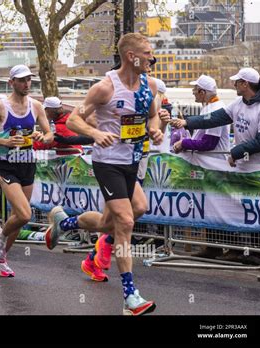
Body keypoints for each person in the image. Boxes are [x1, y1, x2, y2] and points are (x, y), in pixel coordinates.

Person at [43, 33, 163, 315]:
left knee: (129, 213)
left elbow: (153, 114)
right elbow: (74, 119)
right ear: (131, 56)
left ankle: (66, 223)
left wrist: (155, 128)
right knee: (124, 220)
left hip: (132, 161)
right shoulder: (105, 88)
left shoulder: (151, 85)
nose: (152, 58)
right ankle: (130, 295)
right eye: (147, 53)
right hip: (107, 162)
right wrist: (96, 133)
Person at [170, 67, 260, 264]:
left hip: (259, 169)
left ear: (245, 84)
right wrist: (187, 122)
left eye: (237, 82)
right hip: (241, 169)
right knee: (238, 210)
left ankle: (258, 253)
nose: (234, 85)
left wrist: (237, 151)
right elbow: (213, 118)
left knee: (258, 211)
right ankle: (239, 250)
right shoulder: (238, 103)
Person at [0, 64, 54, 277]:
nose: (26, 84)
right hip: (5, 165)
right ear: (11, 82)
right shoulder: (0, 107)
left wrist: (42, 137)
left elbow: (50, 135)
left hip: (27, 164)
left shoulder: (36, 106)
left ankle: (0, 258)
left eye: (29, 79)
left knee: (18, 217)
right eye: (21, 80)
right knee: (24, 214)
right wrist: (6, 141)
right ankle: (0, 238)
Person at [172, 75, 230, 161]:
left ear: (202, 92)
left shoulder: (215, 109)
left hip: (214, 164)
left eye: (195, 89)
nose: (193, 92)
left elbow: (209, 143)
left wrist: (184, 143)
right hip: (209, 163)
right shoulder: (209, 107)